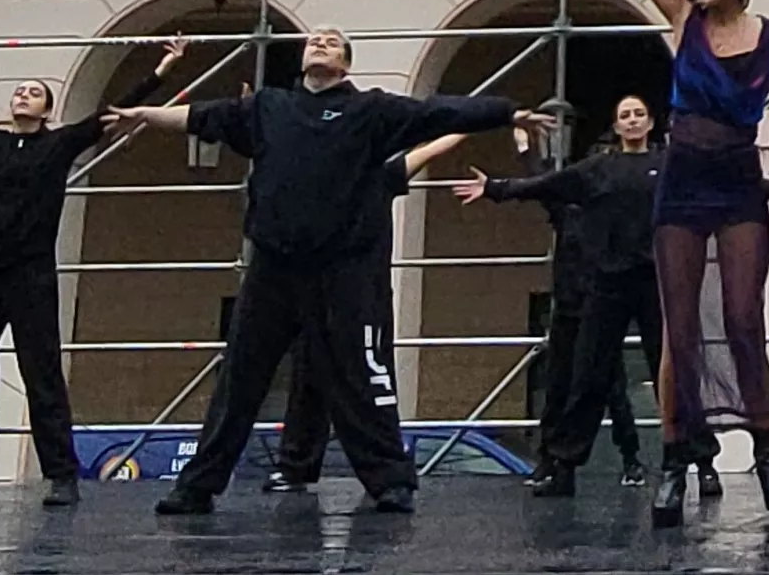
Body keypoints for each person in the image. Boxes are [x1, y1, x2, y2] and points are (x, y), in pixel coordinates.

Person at [111, 27, 543, 516]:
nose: (319, 43)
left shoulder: (371, 110)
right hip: (274, 266)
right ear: (301, 58)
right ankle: (198, 485)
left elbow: (436, 112)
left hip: (342, 268)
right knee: (241, 378)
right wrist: (144, 114)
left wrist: (506, 111)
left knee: (361, 373)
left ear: (346, 64)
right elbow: (201, 117)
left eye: (332, 42)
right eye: (314, 39)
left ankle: (389, 481)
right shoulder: (268, 107)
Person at [565, 0, 769, 527]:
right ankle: (677, 459)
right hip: (682, 179)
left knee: (740, 318)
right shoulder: (682, 20)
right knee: (679, 328)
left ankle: (765, 453)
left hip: (737, 181)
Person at [0, 16, 187, 508]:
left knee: (43, 374)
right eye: (20, 91)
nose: (23, 96)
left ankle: (61, 477)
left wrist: (163, 69)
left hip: (32, 273)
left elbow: (108, 114)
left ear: (47, 109)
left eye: (34, 92)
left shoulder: (57, 144)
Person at [470, 94, 664, 496]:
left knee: (629, 383)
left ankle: (644, 460)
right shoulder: (578, 197)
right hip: (581, 300)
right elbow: (546, 183)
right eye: (624, 114)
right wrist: (509, 173)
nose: (631, 121)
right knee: (573, 386)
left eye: (638, 114)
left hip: (623, 287)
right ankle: (558, 462)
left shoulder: (654, 170)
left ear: (649, 122)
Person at [263, 132, 475, 495]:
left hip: (363, 295)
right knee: (309, 377)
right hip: (320, 292)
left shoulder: (379, 174)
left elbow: (425, 151)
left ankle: (388, 471)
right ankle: (296, 464)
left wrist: (471, 123)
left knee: (372, 379)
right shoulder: (323, 179)